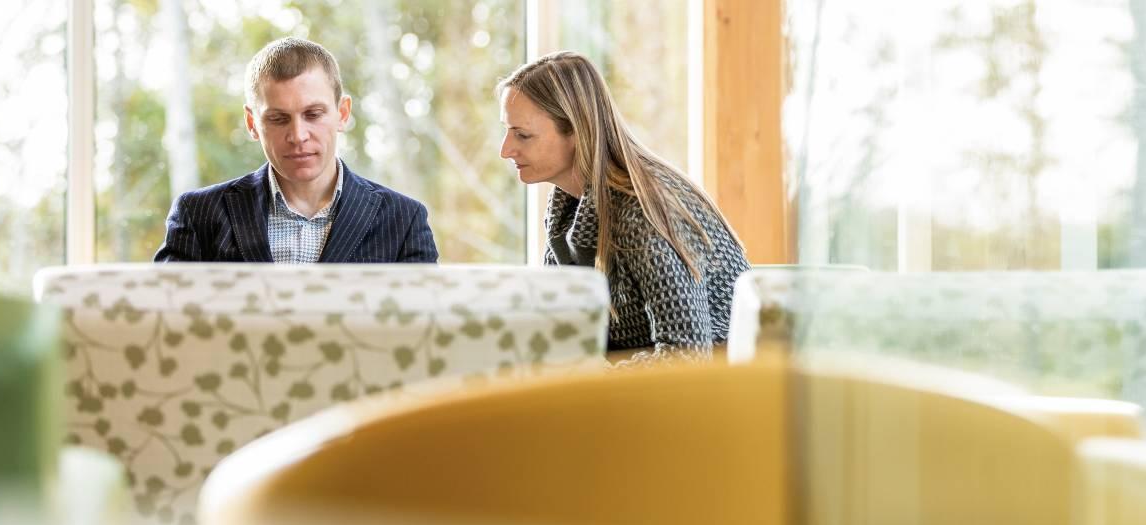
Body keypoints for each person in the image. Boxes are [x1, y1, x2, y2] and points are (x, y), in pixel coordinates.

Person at [497, 51, 751, 366]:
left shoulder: (642, 208)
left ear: (575, 131)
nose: (505, 150)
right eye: (507, 131)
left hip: (710, 394)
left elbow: (686, 355)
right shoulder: (566, 208)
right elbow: (561, 331)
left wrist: (590, 378)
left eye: (522, 135)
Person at [155, 37, 438, 264]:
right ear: (252, 123)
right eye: (278, 119)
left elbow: (427, 329)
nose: (298, 136)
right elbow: (162, 324)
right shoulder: (198, 215)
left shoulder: (404, 221)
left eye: (313, 114)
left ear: (342, 113)